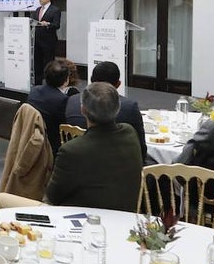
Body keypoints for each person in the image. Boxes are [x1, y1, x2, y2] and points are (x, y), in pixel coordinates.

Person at [44, 82, 144, 211]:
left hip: (84, 222)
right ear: (118, 108)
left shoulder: (72, 150)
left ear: (83, 110)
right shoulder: (130, 133)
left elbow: (53, 196)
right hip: (126, 217)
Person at [64, 61, 147, 160]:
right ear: (118, 84)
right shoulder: (129, 107)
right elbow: (140, 151)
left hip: (75, 159)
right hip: (115, 164)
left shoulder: (72, 100)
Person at [29, 60, 70, 155]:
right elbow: (64, 125)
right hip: (52, 145)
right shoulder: (62, 99)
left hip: (32, 139)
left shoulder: (34, 91)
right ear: (66, 80)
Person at [32, 0, 62, 85]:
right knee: (37, 63)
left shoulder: (55, 10)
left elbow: (57, 25)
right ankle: (37, 84)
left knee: (48, 64)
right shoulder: (37, 10)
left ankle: (49, 84)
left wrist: (47, 23)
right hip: (37, 41)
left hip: (49, 41)